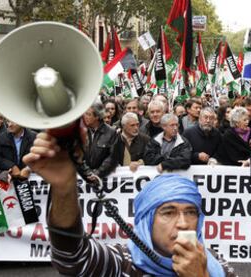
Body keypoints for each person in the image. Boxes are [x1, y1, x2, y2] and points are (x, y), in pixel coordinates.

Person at [23, 138, 236, 276]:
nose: (183, 223)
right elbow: (72, 258)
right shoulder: (122, 263)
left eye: (191, 212)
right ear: (147, 220)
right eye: (168, 212)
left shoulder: (214, 264)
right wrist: (64, 188)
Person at [82, 103, 117, 178]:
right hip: (85, 177)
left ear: (97, 117)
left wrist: (98, 173)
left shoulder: (111, 132)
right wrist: (87, 172)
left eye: (88, 114)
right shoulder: (82, 131)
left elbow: (112, 157)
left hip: (104, 177)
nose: (85, 117)